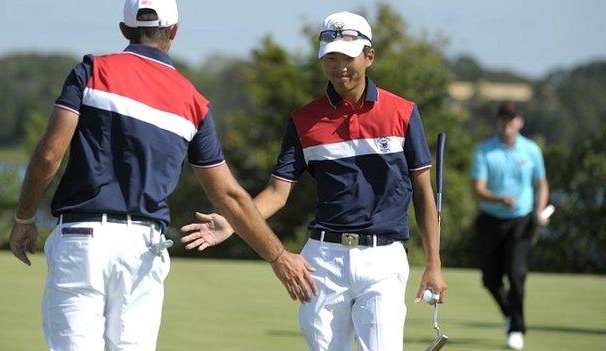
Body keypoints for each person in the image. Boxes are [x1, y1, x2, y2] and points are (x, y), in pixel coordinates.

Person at [8, 1, 316, 349]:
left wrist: (24, 217)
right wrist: (278, 256)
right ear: (174, 31)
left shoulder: (92, 71)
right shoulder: (194, 102)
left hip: (82, 239)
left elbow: (49, 155)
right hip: (144, 249)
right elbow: (229, 196)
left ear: (125, 30)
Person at [180, 11, 447, 351]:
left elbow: (423, 194)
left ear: (369, 56)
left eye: (348, 58)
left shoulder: (403, 112)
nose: (339, 68)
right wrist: (233, 222)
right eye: (330, 58)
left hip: (384, 258)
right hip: (323, 260)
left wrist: (433, 265)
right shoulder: (304, 120)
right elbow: (278, 193)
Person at [471, 102, 550, 350]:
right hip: (490, 219)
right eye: (503, 119)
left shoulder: (531, 150)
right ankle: (510, 315)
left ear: (519, 122)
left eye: (511, 119)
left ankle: (517, 327)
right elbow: (478, 189)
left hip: (522, 219)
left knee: (516, 274)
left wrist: (540, 210)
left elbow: (542, 183)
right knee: (490, 278)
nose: (507, 123)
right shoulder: (484, 151)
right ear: (498, 122)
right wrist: (498, 199)